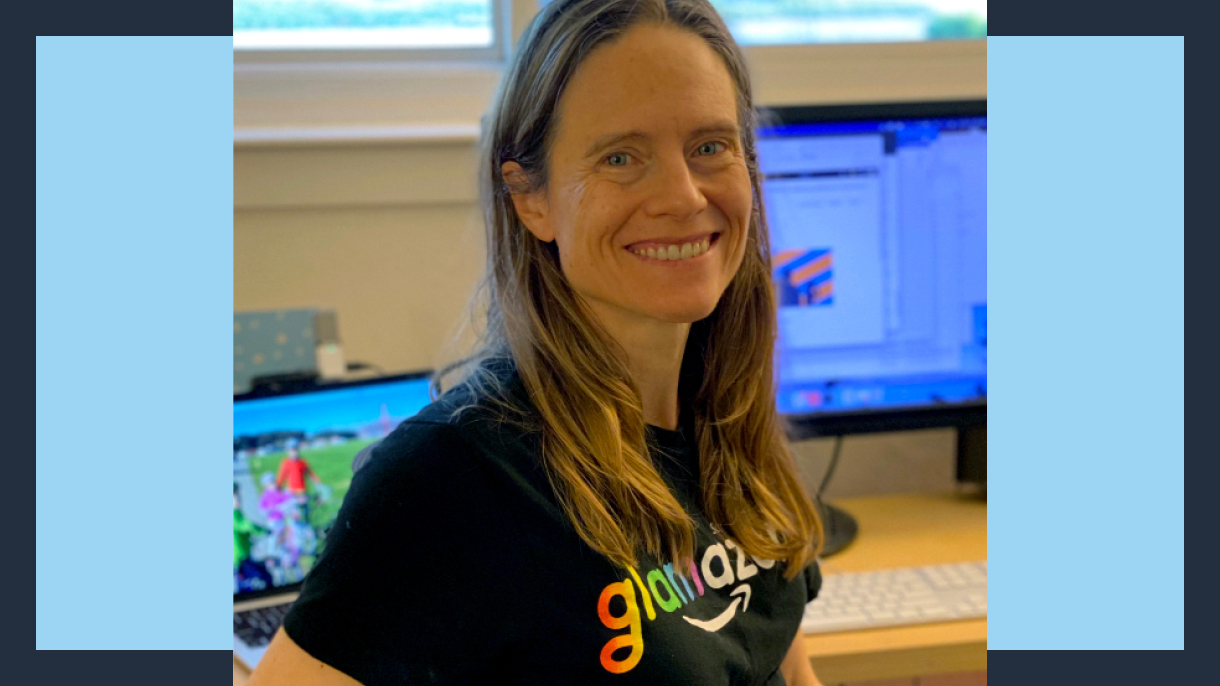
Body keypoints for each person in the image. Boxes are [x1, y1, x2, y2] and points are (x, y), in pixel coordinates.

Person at [249, 1, 825, 684]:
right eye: (621, 156)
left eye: (709, 146)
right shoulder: (451, 479)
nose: (681, 194)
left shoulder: (728, 427)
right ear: (531, 198)